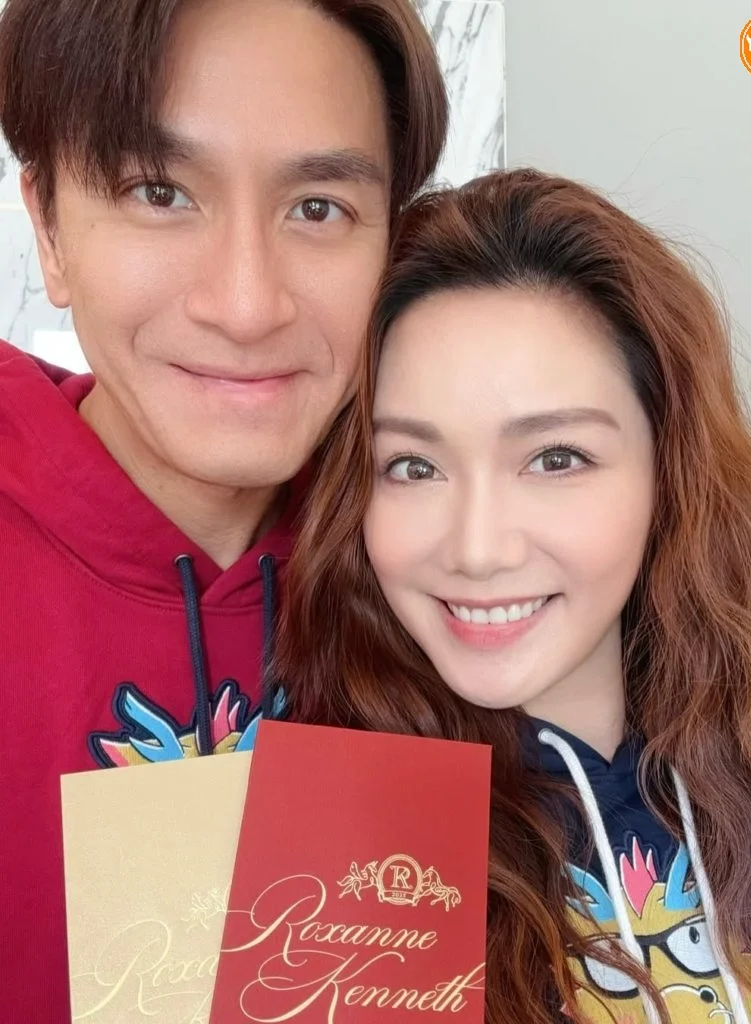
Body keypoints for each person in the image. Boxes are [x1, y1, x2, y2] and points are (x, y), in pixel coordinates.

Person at [279, 169, 751, 1023]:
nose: (477, 549)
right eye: (413, 466)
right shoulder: (315, 859)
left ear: (668, 472)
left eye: (554, 458)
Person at [0, 0, 446, 1015]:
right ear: (49, 230)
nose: (247, 306)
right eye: (159, 192)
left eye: (318, 208)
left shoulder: (452, 570)